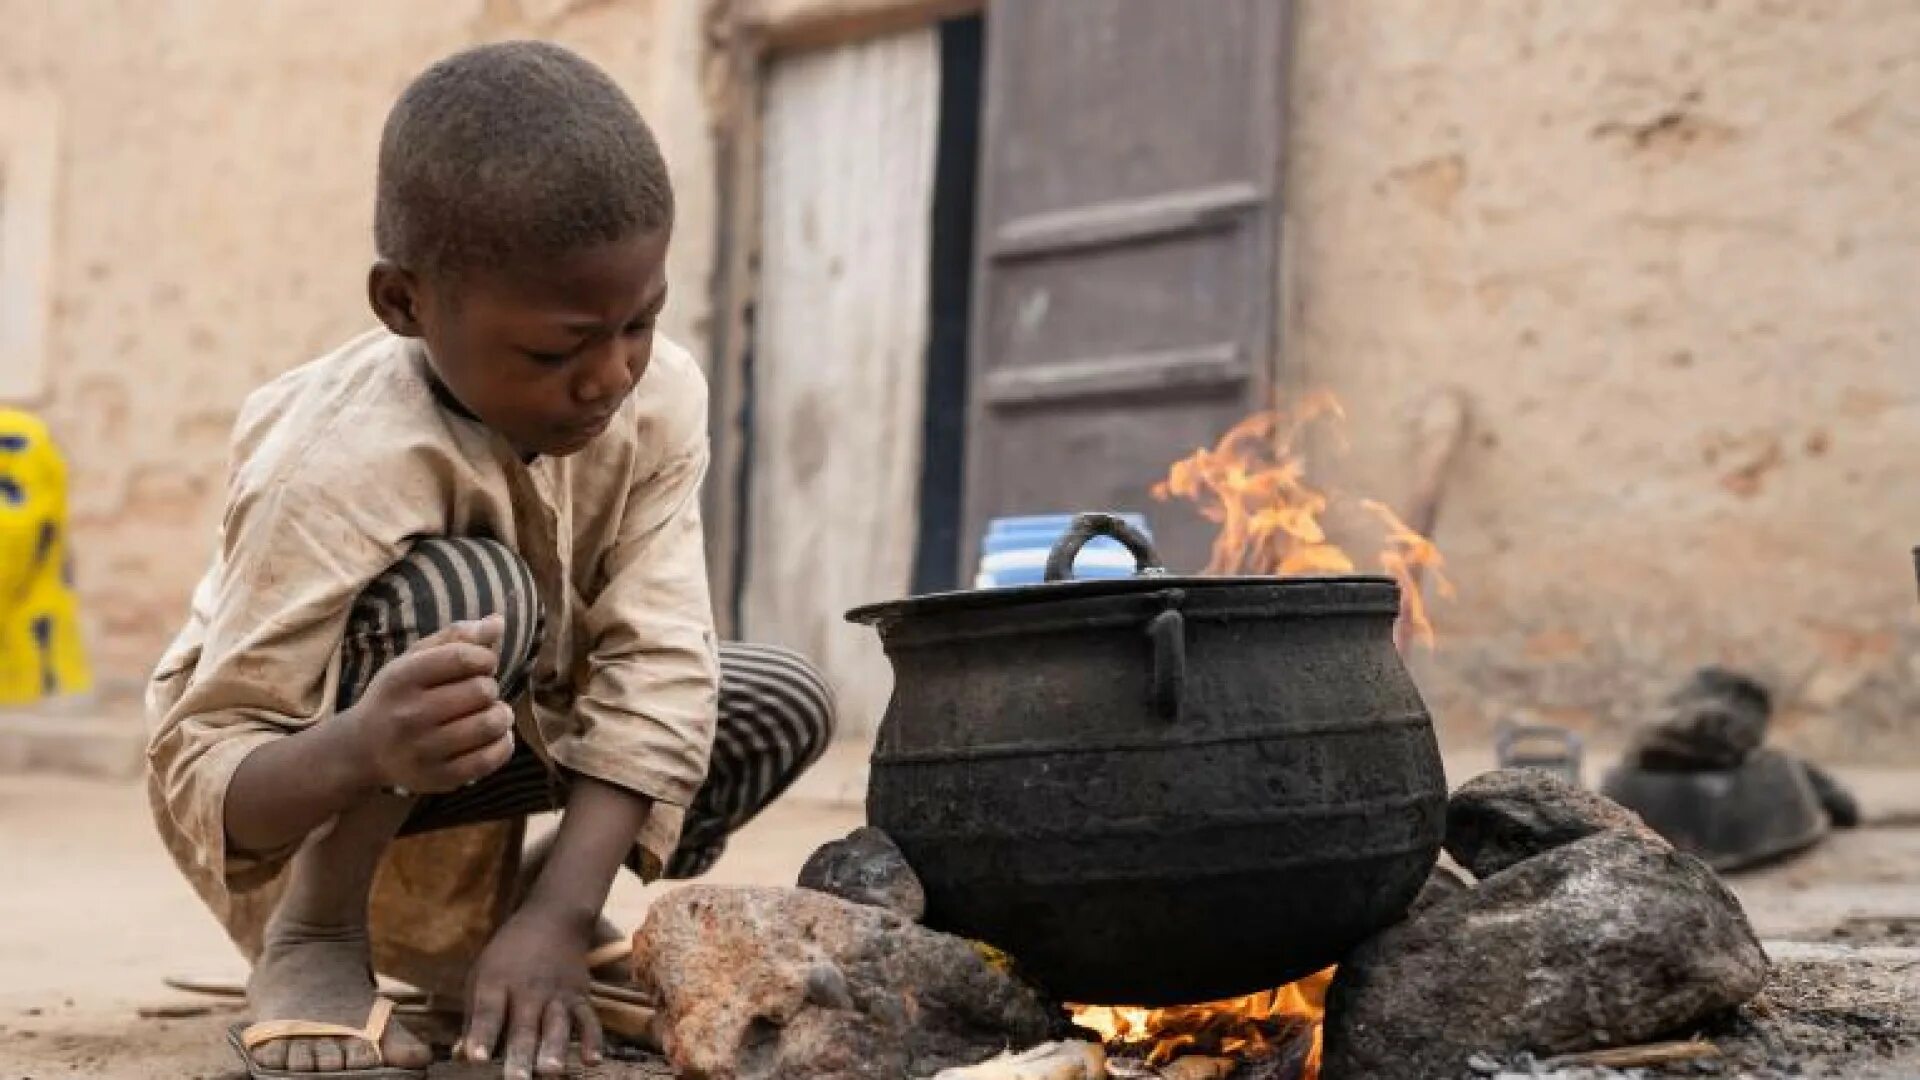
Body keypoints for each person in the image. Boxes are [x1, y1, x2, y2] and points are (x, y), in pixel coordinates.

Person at [145, 41, 835, 1080]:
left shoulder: (659, 401)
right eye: (557, 352)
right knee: (474, 598)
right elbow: (206, 763)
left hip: (493, 756)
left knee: (775, 698)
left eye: (638, 322)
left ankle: (512, 932)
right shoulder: (336, 459)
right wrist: (362, 746)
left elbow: (659, 667)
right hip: (309, 812)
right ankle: (321, 941)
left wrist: (561, 916)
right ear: (404, 304)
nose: (609, 377)